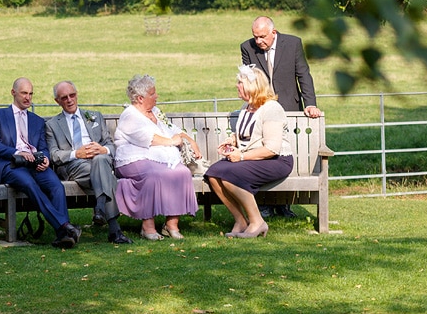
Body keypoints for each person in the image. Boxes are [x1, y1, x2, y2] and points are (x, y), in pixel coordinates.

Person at [240, 15, 323, 217]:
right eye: (255, 37)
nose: (258, 41)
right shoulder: (247, 48)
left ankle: (284, 205)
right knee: (262, 155)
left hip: (289, 108)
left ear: (273, 33)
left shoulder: (293, 44)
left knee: (284, 155)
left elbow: (303, 74)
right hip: (262, 111)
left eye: (262, 37)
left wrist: (310, 103)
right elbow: (249, 79)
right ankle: (264, 204)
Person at [0, 78, 79, 248]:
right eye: (24, 93)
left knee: (56, 185)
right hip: (10, 165)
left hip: (34, 165)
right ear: (13, 93)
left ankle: (62, 235)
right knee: (29, 184)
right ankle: (65, 226)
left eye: (30, 94)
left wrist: (44, 159)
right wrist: (17, 152)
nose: (28, 97)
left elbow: (43, 147)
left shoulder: (36, 120)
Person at [204, 65, 295, 239]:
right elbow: (248, 135)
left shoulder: (271, 108)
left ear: (252, 86)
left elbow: (272, 148)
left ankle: (257, 222)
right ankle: (240, 221)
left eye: (240, 83)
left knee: (230, 175)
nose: (237, 86)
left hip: (276, 160)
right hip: (252, 158)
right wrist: (233, 140)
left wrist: (242, 156)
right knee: (213, 173)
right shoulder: (247, 106)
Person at [112, 75, 201, 241]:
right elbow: (148, 139)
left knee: (182, 172)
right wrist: (172, 141)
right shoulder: (130, 115)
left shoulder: (156, 112)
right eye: (152, 94)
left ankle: (171, 225)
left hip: (159, 157)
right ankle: (148, 226)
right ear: (140, 98)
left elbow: (172, 129)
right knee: (153, 175)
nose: (156, 96)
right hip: (132, 159)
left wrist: (191, 141)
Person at [45, 80, 131, 244]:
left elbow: (110, 145)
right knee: (107, 176)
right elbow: (53, 155)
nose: (69, 100)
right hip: (75, 166)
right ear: (57, 101)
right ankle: (113, 229)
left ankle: (101, 209)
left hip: (99, 162)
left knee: (100, 160)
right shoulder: (52, 125)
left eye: (72, 95)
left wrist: (103, 150)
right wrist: (77, 153)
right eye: (64, 98)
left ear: (77, 95)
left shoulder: (94, 116)